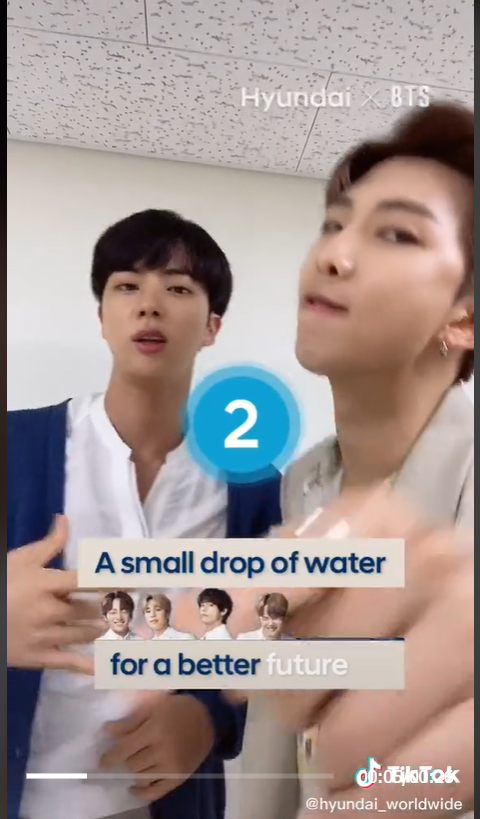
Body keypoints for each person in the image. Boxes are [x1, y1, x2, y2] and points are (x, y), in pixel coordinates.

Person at [237, 101, 475, 818]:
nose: (333, 255)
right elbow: (280, 733)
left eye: (396, 233)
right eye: (333, 225)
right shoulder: (307, 483)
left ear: (464, 316)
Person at [7, 209, 282, 819]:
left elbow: (268, 636)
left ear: (212, 326)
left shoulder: (253, 484)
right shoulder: (17, 448)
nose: (149, 305)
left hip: (167, 800)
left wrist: (208, 715)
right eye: (127, 286)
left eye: (178, 289)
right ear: (101, 316)